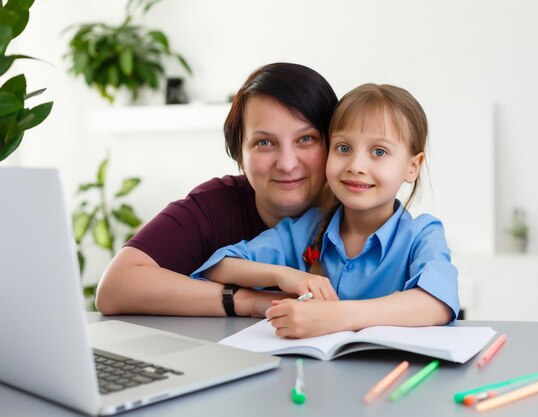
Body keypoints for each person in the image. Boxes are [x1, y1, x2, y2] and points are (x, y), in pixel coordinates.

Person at [191, 84, 460, 338]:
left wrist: (337, 315)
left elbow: (437, 303)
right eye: (343, 148)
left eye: (378, 151)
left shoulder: (421, 233)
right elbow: (219, 266)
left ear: (413, 166)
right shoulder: (305, 229)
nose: (356, 165)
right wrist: (283, 275)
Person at [95, 63, 339, 317]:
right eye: (264, 143)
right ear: (239, 156)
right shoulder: (214, 206)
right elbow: (115, 287)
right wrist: (250, 301)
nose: (287, 164)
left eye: (305, 139)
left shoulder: (363, 208)